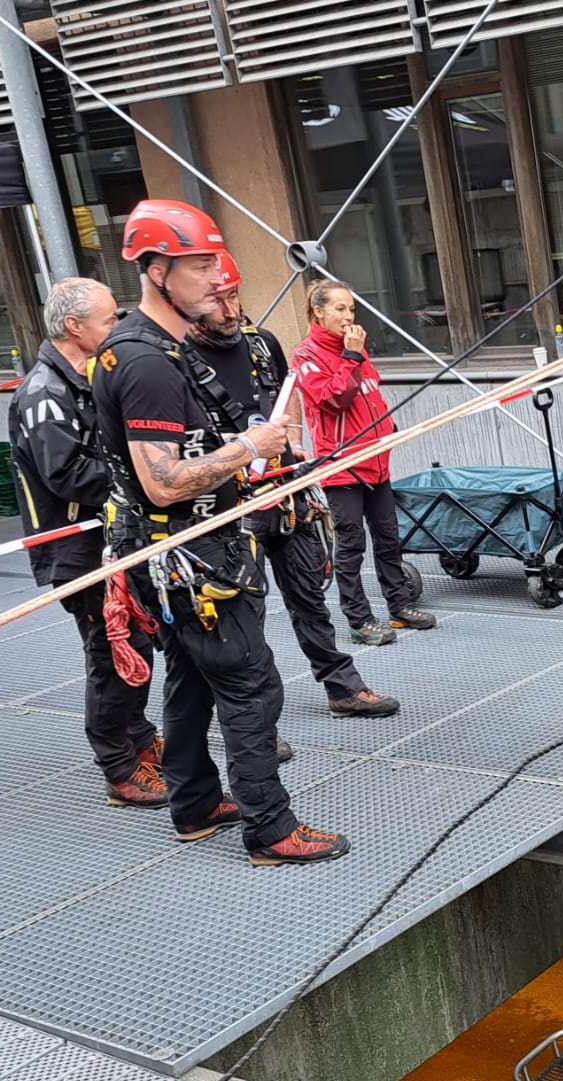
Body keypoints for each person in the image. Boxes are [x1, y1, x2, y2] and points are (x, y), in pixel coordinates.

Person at [92, 198, 351, 866]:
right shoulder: (146, 362)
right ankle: (270, 828)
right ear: (154, 270)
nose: (216, 277)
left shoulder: (155, 350)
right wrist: (251, 446)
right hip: (194, 554)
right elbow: (161, 482)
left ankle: (197, 804)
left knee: (190, 680)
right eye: (200, 264)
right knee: (251, 684)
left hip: (179, 550)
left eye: (214, 261)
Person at [188, 253, 402, 722]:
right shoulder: (177, 357)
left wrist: (297, 447)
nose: (229, 310)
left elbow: (284, 404)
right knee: (242, 616)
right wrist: (239, 448)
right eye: (215, 301)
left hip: (284, 493)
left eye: (233, 297)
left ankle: (342, 686)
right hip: (230, 503)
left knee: (309, 598)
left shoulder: (261, 343)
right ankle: (252, 720)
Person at [10, 276, 163, 809]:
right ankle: (118, 766)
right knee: (111, 649)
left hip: (113, 536)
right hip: (75, 549)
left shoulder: (88, 375)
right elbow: (69, 473)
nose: (117, 325)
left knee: (137, 642)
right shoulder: (43, 392)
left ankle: (140, 739)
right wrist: (144, 475)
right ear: (74, 327)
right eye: (108, 318)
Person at [293, 280, 433, 646]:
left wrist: (389, 429)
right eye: (340, 309)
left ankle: (399, 604)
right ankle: (359, 618)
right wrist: (351, 357)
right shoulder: (307, 355)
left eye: (351, 309)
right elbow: (334, 399)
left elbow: (370, 396)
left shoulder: (355, 347)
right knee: (351, 546)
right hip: (343, 467)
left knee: (389, 538)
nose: (348, 316)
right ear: (318, 312)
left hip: (376, 460)